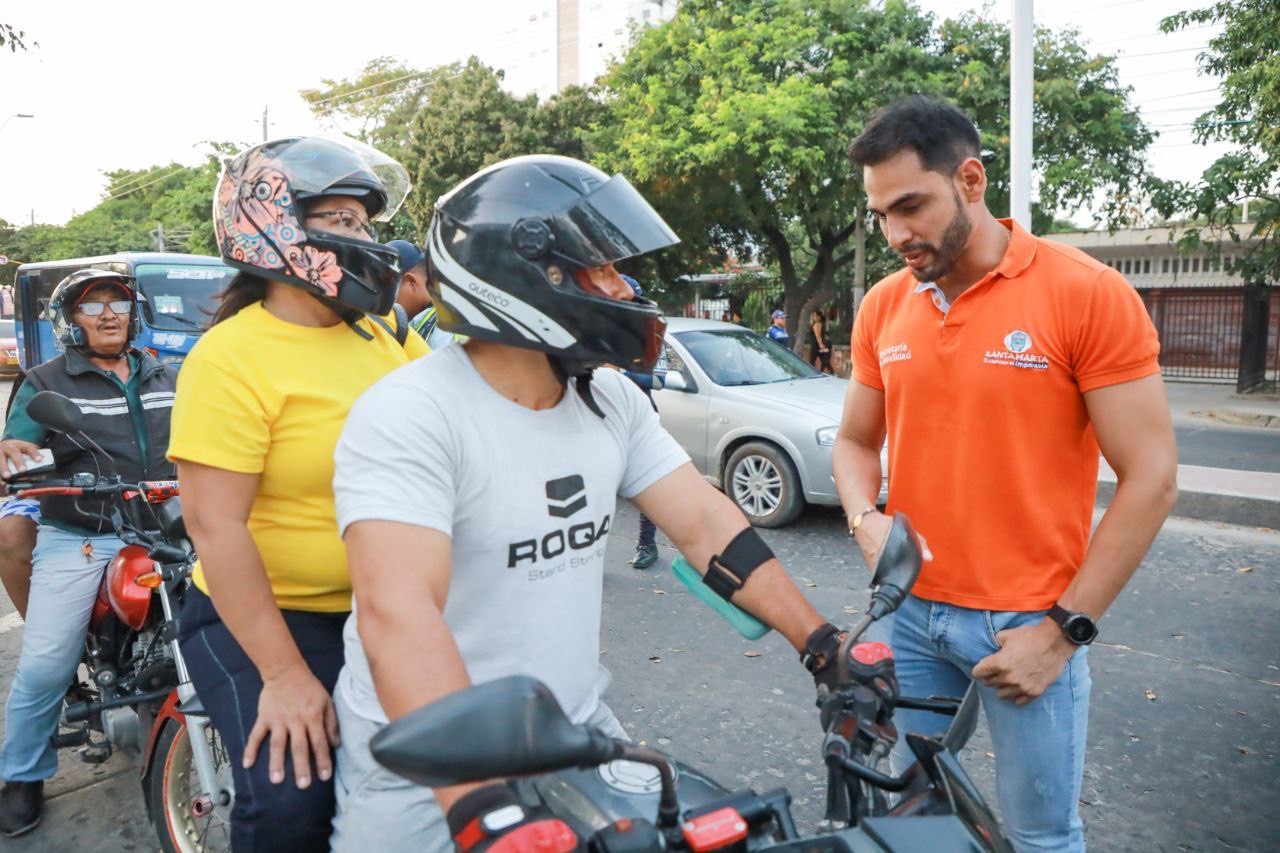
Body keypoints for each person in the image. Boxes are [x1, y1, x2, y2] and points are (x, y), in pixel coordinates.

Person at [327, 155, 845, 850]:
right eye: (600, 269)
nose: (623, 286)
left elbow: (706, 525)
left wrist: (822, 643)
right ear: (524, 281)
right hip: (427, 768)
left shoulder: (611, 399)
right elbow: (399, 613)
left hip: (574, 733)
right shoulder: (410, 413)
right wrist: (483, 804)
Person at [833, 96, 1178, 852]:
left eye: (911, 206)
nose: (895, 234)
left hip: (1029, 620)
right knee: (913, 816)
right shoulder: (884, 305)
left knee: (1041, 836)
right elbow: (856, 441)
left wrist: (1062, 634)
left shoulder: (1084, 292)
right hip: (912, 615)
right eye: (880, 213)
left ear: (971, 179)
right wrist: (865, 520)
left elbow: (1151, 477)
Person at [166, 135, 428, 851]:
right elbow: (218, 530)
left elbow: (456, 425)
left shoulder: (386, 332)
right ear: (274, 226)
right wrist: (283, 675)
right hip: (268, 619)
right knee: (292, 799)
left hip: (384, 605)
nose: (364, 239)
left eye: (365, 223)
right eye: (341, 221)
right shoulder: (230, 357)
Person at [0, 270, 177, 838]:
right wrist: (15, 454)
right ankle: (22, 774)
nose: (108, 314)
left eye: (119, 304)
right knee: (47, 663)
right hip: (86, 532)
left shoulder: (165, 372)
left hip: (171, 526)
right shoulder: (45, 380)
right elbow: (18, 446)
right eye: (92, 305)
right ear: (69, 321)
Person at [618, 273, 660, 570]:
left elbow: (657, 378)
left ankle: (647, 544)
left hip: (642, 418)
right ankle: (588, 553)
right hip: (602, 418)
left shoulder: (650, 337)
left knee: (649, 488)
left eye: (633, 302)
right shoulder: (595, 335)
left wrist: (618, 374)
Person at [808, 309, 833, 374]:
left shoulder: (816, 324)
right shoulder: (821, 324)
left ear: (819, 317)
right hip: (820, 345)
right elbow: (823, 335)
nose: (814, 317)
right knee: (825, 361)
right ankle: (832, 373)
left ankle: (811, 374)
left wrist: (821, 345)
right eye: (813, 316)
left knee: (812, 362)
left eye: (815, 316)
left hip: (816, 346)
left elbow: (818, 336)